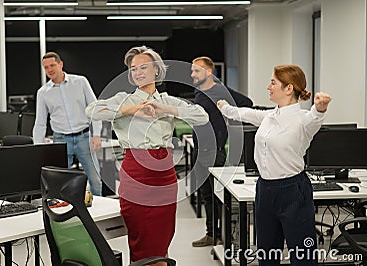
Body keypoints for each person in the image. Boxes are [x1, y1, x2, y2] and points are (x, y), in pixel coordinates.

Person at [86, 46, 209, 264]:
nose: (138, 72)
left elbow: (202, 116)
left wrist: (166, 110)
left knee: (162, 239)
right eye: (133, 69)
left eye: (144, 67)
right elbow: (92, 110)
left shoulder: (167, 100)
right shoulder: (124, 99)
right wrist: (130, 110)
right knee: (141, 239)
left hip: (164, 174)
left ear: (156, 71)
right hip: (136, 174)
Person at [217, 64, 332, 265]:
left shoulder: (303, 120)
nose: (268, 87)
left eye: (273, 83)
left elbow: (315, 118)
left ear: (289, 88)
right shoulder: (269, 116)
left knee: (302, 256)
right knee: (267, 253)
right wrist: (225, 108)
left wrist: (320, 107)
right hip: (265, 190)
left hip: (293, 191)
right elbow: (244, 113)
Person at [190, 56, 253, 248]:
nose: (192, 74)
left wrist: (230, 116)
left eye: (196, 71)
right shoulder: (200, 92)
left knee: (219, 198)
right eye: (191, 71)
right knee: (207, 196)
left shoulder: (220, 91)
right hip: (199, 151)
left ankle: (226, 235)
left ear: (209, 72)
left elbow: (247, 102)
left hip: (214, 152)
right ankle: (212, 234)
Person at [33, 51, 103, 196]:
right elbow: (40, 123)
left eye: (52, 65)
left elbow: (94, 108)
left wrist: (96, 134)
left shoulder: (80, 82)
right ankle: (64, 213)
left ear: (61, 64)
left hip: (84, 137)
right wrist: (37, 148)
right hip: (61, 140)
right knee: (59, 182)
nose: (50, 70)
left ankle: (97, 213)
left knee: (95, 180)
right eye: (46, 67)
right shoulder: (43, 92)